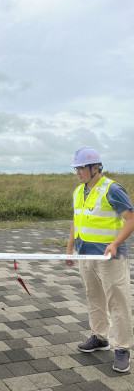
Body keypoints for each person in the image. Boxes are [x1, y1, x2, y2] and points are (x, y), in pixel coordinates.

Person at [66, 146, 134, 373]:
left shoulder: (112, 189)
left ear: (95, 167)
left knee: (118, 302)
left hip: (109, 260)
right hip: (86, 257)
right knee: (93, 298)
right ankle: (100, 337)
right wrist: (70, 249)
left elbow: (131, 219)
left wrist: (114, 244)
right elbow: (76, 222)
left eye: (81, 167)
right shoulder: (78, 191)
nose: (78, 172)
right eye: (76, 168)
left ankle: (123, 348)